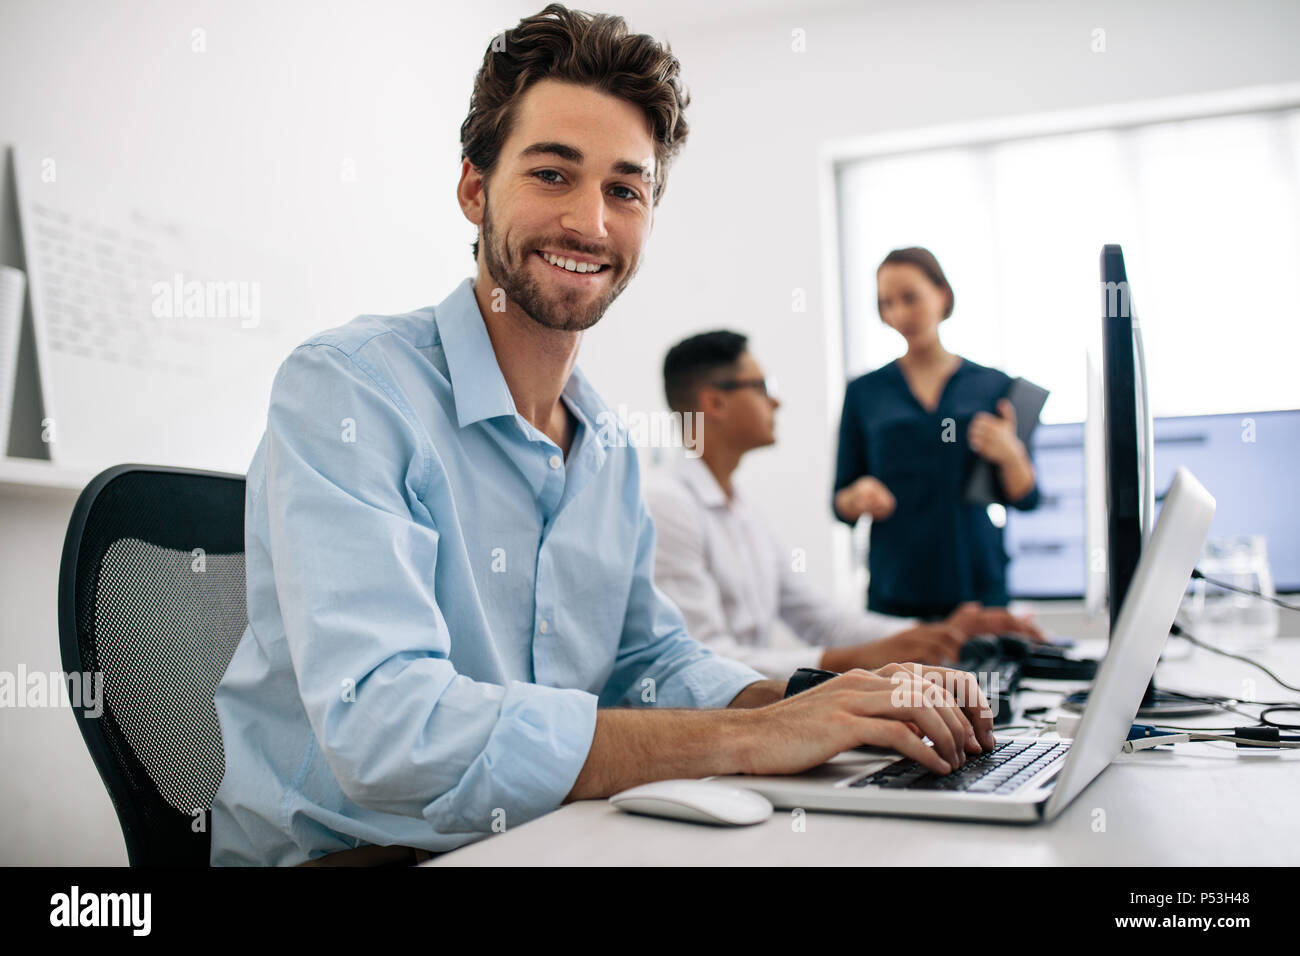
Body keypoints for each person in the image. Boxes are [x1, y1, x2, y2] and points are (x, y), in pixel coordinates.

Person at [210, 6, 996, 867]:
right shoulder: (350, 390)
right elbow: (388, 728)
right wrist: (748, 741)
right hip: (355, 859)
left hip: (548, 840)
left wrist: (823, 703)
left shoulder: (608, 445)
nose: (591, 224)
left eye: (625, 189)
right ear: (475, 188)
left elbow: (648, 659)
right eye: (552, 174)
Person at [645, 331, 1043, 681]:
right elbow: (706, 663)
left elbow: (823, 622)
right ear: (714, 403)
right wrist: (857, 660)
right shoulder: (668, 506)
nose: (777, 401)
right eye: (762, 386)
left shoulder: (742, 511)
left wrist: (941, 631)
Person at [833, 246, 1040, 620]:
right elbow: (840, 502)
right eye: (887, 304)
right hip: (896, 592)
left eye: (910, 298)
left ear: (942, 294)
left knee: (985, 680)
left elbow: (1027, 498)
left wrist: (1010, 454)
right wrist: (858, 496)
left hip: (977, 587)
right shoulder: (865, 392)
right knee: (899, 681)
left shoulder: (994, 387)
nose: (899, 314)